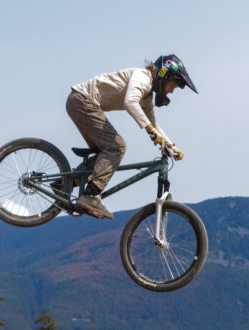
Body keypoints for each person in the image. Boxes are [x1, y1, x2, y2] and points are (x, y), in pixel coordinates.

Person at [65, 55, 198, 219]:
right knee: (116, 147)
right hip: (82, 100)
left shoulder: (147, 95)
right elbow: (130, 102)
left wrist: (171, 146)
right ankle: (91, 195)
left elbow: (153, 123)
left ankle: (64, 185)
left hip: (79, 102)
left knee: (106, 154)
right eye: (173, 85)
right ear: (165, 76)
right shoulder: (143, 77)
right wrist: (149, 130)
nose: (171, 91)